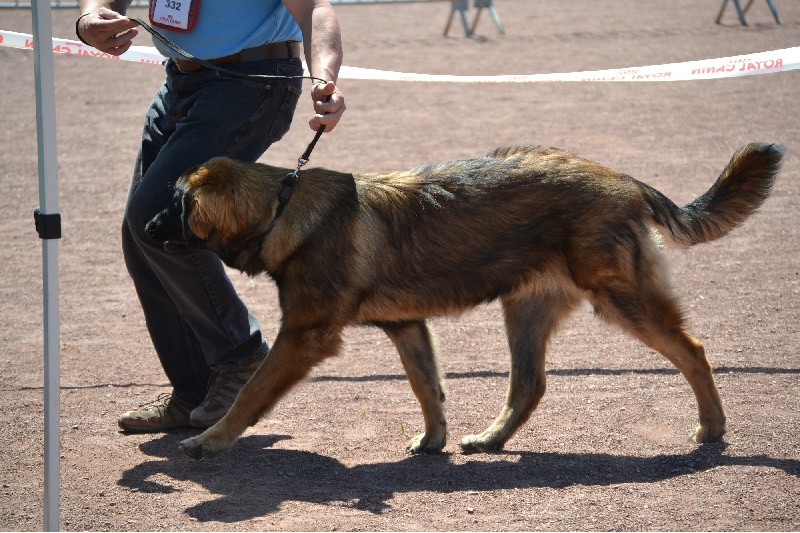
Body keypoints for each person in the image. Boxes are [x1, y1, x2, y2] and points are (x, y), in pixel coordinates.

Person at [76, 0, 346, 432]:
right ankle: (193, 393)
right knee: (142, 236)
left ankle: (241, 355)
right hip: (181, 82)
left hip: (251, 85)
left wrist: (325, 76)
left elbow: (314, 8)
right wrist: (90, 17)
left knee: (158, 223)